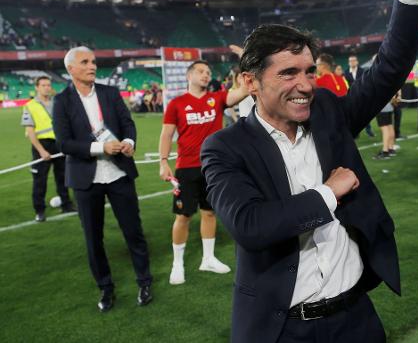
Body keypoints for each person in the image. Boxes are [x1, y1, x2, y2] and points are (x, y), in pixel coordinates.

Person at [200, 0, 418, 343]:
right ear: (250, 82)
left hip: (356, 317)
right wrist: (329, 193)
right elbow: (251, 225)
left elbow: (390, 67)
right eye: (288, 73)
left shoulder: (327, 113)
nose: (305, 85)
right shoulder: (225, 147)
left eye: (308, 71)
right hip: (284, 329)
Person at [53, 46, 152, 312]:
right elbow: (64, 143)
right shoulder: (62, 101)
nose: (92, 66)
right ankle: (106, 288)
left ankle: (145, 281)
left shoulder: (110, 93)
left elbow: (127, 123)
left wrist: (129, 141)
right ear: (70, 69)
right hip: (86, 179)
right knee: (93, 239)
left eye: (94, 61)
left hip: (119, 172)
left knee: (134, 232)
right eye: (85, 62)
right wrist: (101, 148)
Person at [159, 55, 248, 285]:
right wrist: (162, 161)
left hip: (213, 168)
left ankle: (208, 258)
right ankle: (177, 263)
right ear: (189, 75)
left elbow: (239, 93)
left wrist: (247, 76)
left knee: (209, 212)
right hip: (186, 168)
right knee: (183, 215)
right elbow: (167, 134)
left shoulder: (217, 99)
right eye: (201, 71)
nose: (206, 74)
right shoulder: (177, 104)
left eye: (208, 72)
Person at [21, 75, 74, 221]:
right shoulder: (29, 106)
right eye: (43, 85)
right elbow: (30, 131)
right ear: (37, 88)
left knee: (63, 176)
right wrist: (41, 150)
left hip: (58, 144)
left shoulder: (57, 103)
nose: (47, 88)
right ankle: (39, 210)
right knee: (40, 180)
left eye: (49, 85)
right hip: (42, 146)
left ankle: (66, 204)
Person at [345, 54, 375, 137]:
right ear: (348, 63)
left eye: (354, 60)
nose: (352, 62)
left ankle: (369, 131)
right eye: (350, 61)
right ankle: (356, 132)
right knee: (354, 115)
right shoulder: (346, 72)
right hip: (351, 97)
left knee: (366, 114)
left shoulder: (363, 71)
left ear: (357, 62)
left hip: (363, 95)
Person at [373, 92, 398, 160]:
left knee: (385, 128)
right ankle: (391, 149)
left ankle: (385, 151)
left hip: (383, 107)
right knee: (389, 126)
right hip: (389, 106)